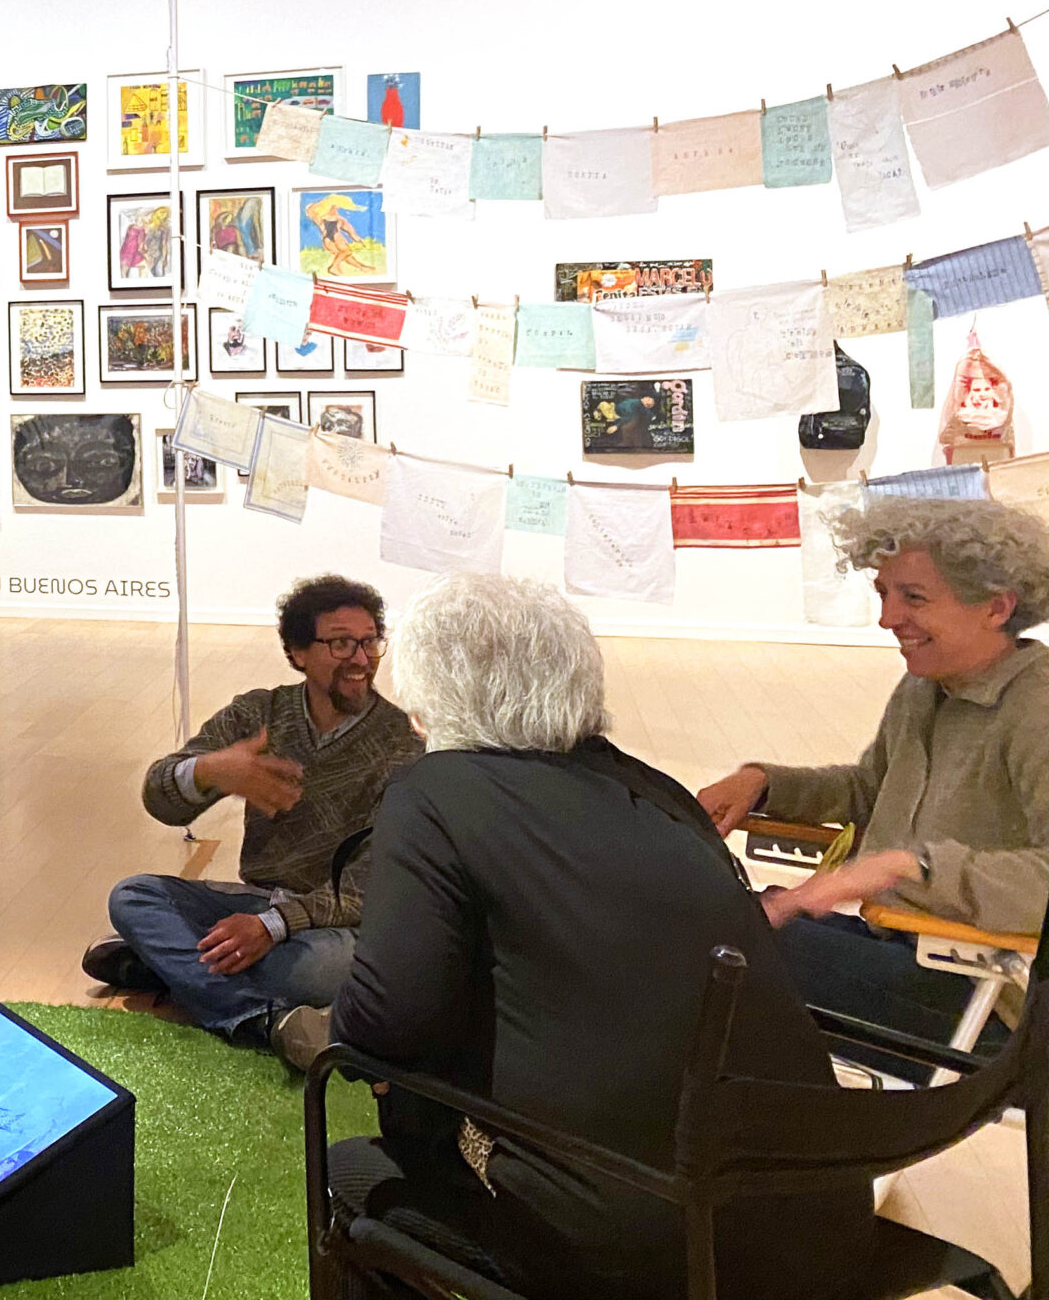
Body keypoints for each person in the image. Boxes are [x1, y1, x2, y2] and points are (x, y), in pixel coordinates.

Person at [324, 574, 873, 1300]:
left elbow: (382, 1024)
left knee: (347, 1166)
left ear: (434, 701)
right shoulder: (658, 791)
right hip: (820, 1222)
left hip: (646, 1248)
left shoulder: (434, 793)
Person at [697, 496, 1049, 1053]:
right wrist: (764, 783)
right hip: (898, 948)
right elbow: (872, 791)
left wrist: (909, 867)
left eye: (915, 598)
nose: (888, 619)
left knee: (715, 958)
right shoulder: (926, 687)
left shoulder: (1038, 706)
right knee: (695, 916)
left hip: (994, 998)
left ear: (996, 608)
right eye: (884, 593)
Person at [83, 574, 421, 1059]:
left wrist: (273, 927)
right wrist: (210, 771)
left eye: (370, 642)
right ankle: (264, 1021)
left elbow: (371, 890)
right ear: (297, 652)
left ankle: (169, 965)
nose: (362, 660)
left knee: (319, 971)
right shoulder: (259, 713)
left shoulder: (400, 744)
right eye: (342, 643)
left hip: (334, 927)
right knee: (133, 896)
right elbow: (159, 798)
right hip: (255, 902)